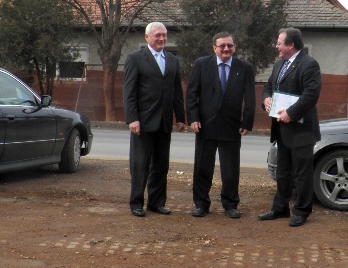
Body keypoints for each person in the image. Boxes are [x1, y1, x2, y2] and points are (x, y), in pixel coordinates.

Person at [186, 32, 256, 218]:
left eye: (230, 46)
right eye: (222, 46)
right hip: (205, 126)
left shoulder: (244, 68)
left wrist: (247, 121)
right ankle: (201, 204)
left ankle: (231, 204)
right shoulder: (201, 64)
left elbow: (250, 97)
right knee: (202, 167)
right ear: (214, 48)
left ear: (234, 47)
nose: (226, 49)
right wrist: (193, 118)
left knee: (230, 169)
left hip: (232, 126)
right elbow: (192, 94)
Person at [123, 22, 186, 217]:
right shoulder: (135, 58)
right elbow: (129, 92)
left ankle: (156, 203)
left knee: (161, 165)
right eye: (157, 35)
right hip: (143, 122)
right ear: (147, 37)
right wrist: (132, 119)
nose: (161, 38)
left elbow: (177, 91)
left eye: (164, 35)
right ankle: (136, 203)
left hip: (164, 122)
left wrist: (180, 117)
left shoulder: (173, 60)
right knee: (140, 164)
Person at [260, 27, 321, 227]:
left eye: (279, 43)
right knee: (283, 171)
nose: (276, 46)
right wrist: (266, 99)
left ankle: (301, 211)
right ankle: (280, 208)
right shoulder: (279, 64)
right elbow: (269, 86)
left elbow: (311, 94)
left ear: (291, 45)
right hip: (281, 129)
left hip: (301, 130)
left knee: (302, 173)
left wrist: (291, 113)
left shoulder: (309, 64)